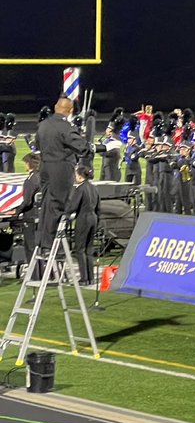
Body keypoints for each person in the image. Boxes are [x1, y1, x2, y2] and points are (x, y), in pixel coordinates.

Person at [34, 96, 87, 249]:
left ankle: (42, 239)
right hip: (61, 169)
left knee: (46, 204)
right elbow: (81, 147)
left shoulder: (43, 125)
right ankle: (51, 245)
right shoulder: (65, 126)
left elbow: (37, 143)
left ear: (56, 107)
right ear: (70, 111)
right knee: (58, 205)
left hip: (44, 168)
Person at [64, 165, 100, 284]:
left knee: (80, 249)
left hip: (83, 219)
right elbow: (99, 208)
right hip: (93, 218)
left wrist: (65, 213)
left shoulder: (80, 189)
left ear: (79, 176)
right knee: (89, 249)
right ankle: (91, 277)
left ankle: (84, 278)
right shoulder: (94, 188)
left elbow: (73, 207)